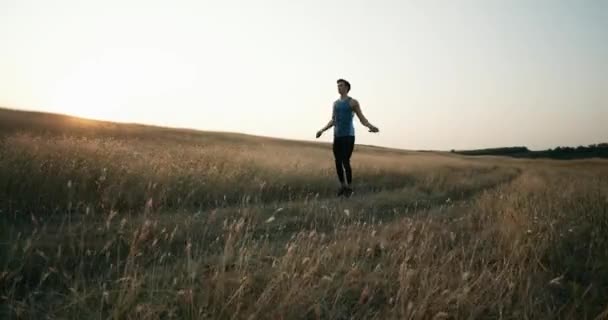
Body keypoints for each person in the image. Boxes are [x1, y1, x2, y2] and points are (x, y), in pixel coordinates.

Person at [316, 79, 379, 197]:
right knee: (337, 162)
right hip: (337, 136)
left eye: (341, 86)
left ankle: (349, 188)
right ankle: (342, 186)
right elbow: (333, 120)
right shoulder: (335, 103)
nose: (338, 88)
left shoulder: (353, 102)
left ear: (347, 88)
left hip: (348, 136)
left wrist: (371, 126)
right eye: (338, 86)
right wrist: (322, 130)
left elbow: (361, 118)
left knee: (345, 161)